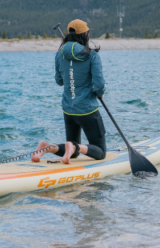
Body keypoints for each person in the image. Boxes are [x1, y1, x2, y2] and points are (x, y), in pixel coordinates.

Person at [32, 19, 107, 164]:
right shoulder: (92, 56)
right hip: (87, 111)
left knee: (72, 154)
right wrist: (99, 93)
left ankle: (47, 148)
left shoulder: (60, 55)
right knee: (101, 151)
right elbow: (99, 84)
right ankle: (75, 147)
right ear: (85, 35)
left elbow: (59, 81)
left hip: (68, 111)